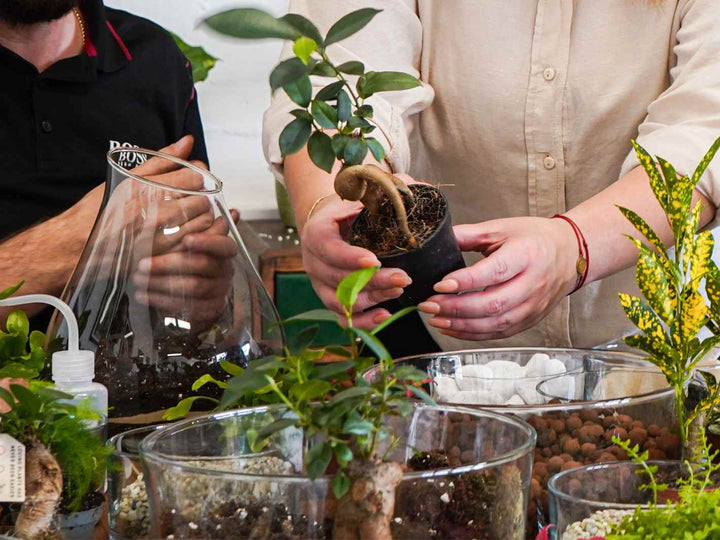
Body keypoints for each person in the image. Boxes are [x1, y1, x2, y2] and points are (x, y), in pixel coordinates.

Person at [263, 0, 720, 352]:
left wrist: (573, 248)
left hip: (658, 353)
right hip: (438, 348)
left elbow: (704, 133)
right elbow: (328, 82)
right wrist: (327, 207)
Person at [0, 0, 228, 328]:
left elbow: (200, 307)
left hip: (134, 373)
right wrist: (74, 244)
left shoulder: (154, 58)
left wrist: (201, 296)